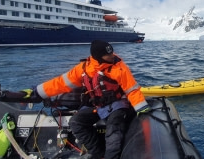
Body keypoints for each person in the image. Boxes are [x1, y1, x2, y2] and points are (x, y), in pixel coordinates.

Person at [23, 40, 151, 159]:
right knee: (76, 122)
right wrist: (38, 91)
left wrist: (141, 108)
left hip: (119, 105)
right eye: (108, 54)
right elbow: (60, 83)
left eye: (111, 52)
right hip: (99, 107)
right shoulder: (84, 68)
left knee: (113, 132)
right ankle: (98, 153)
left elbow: (132, 90)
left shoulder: (119, 68)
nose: (112, 56)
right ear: (98, 56)